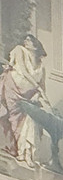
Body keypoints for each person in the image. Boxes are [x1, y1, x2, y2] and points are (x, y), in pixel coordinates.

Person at [0, 33, 49, 168]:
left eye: (29, 40)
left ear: (36, 46)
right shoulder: (20, 50)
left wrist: (40, 94)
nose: (26, 41)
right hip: (13, 88)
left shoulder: (41, 66)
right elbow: (23, 71)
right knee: (13, 118)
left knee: (28, 121)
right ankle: (16, 149)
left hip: (28, 95)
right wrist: (38, 89)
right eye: (25, 39)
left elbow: (42, 84)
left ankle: (24, 153)